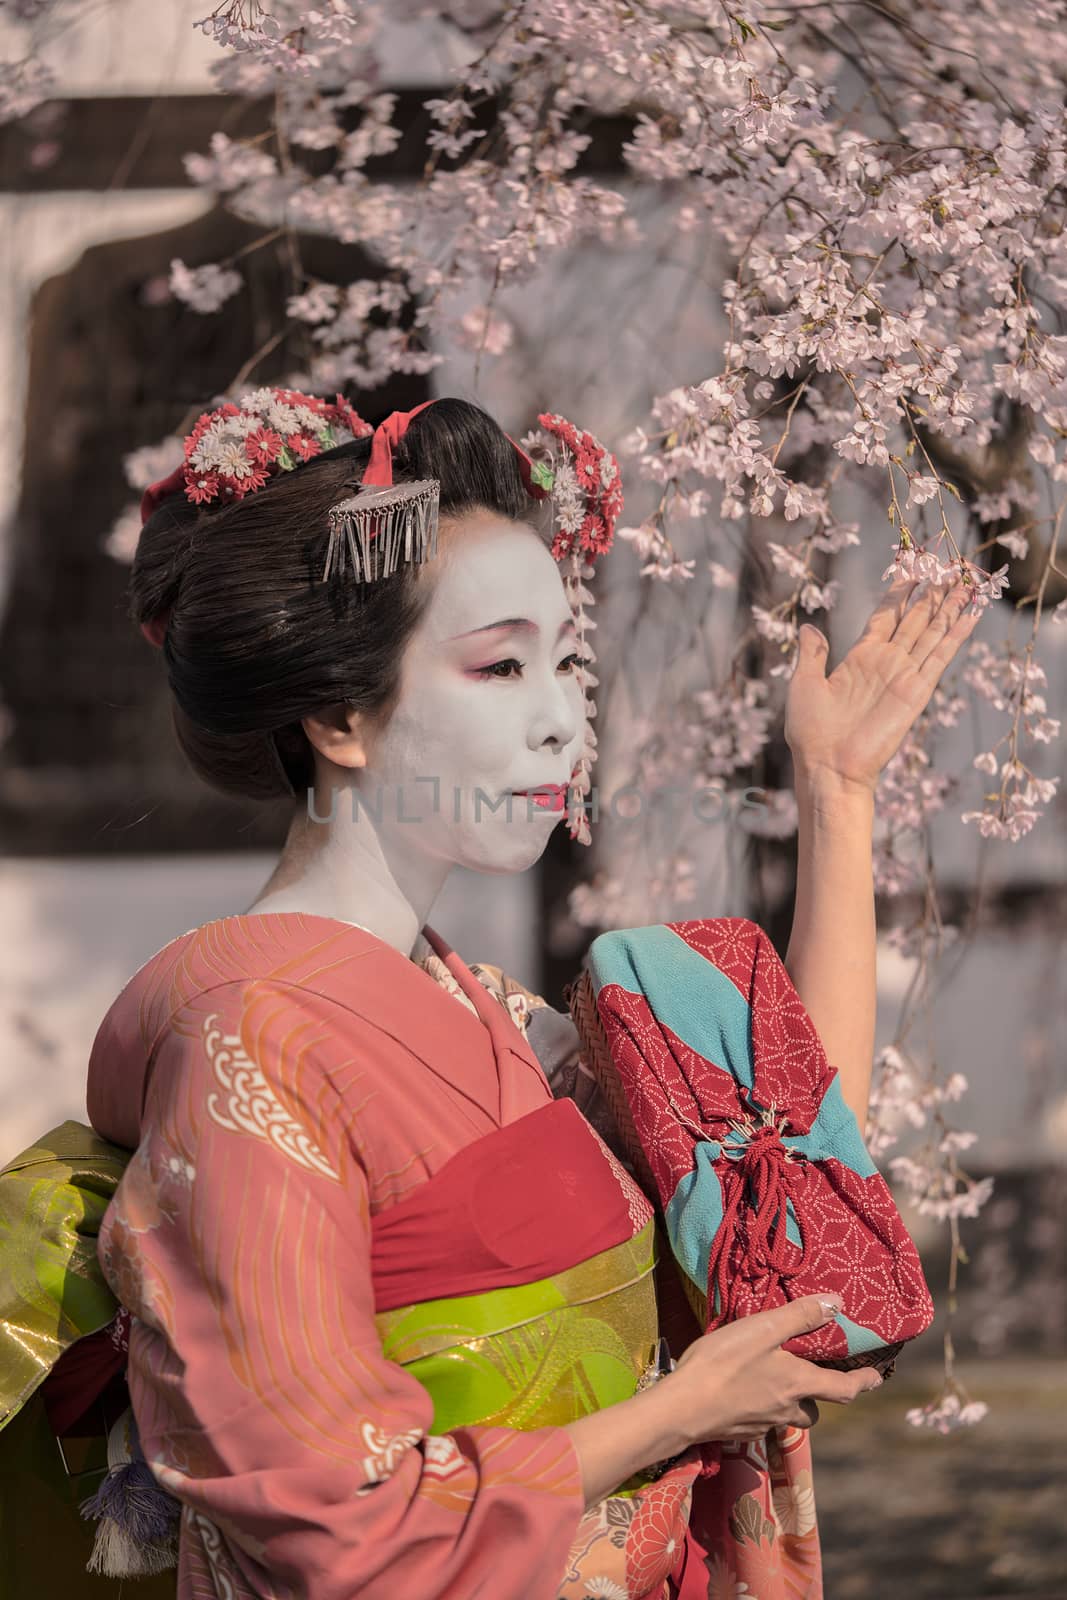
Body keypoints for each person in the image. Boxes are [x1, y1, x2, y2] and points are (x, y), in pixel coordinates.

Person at [1, 390, 982, 1599]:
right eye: (500, 664)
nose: (559, 721)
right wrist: (678, 1408)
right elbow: (324, 1512)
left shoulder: (480, 1004)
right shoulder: (245, 1038)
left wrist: (835, 795)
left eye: (568, 662)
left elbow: (775, 1181)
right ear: (340, 714)